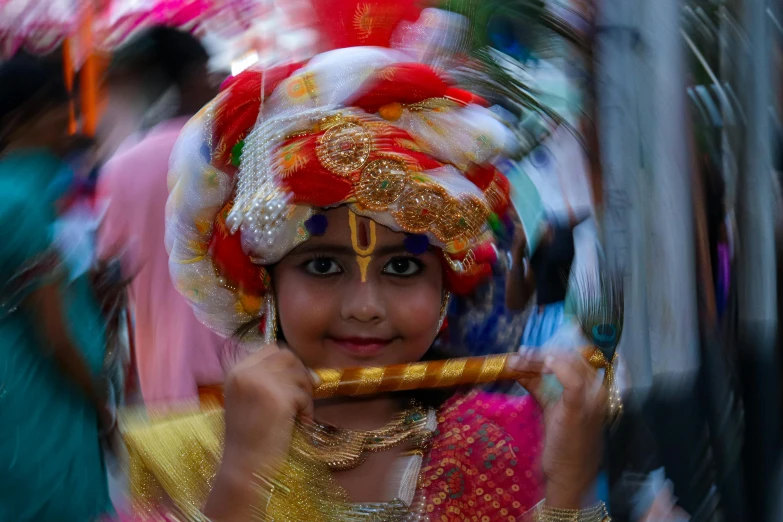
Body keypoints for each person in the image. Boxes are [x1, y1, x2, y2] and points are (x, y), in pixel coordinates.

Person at [118, 8, 612, 521]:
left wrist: (568, 489)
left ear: (446, 285)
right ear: (266, 281)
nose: (365, 306)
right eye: (323, 268)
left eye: (402, 268)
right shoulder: (184, 459)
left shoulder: (511, 439)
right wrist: (242, 478)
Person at [0, 54, 112, 521]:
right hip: (43, 400)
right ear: (22, 118)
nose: (67, 126)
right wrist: (101, 403)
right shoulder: (24, 202)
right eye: (59, 111)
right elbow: (54, 336)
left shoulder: (25, 191)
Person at [97, 26, 223, 404]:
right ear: (195, 76)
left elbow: (108, 272)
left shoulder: (121, 166)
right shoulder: (232, 148)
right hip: (248, 364)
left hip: (165, 377)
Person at [506, 209, 590, 349]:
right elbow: (516, 303)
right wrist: (517, 253)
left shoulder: (578, 218)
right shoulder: (538, 222)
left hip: (569, 321)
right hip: (539, 326)